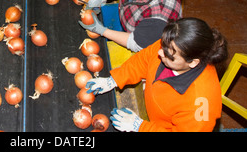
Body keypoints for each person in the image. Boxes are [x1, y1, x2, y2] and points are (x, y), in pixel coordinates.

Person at [86, 17, 228, 132]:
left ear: (192, 62)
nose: (160, 53)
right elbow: (144, 59)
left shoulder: (201, 106)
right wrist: (114, 80)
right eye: (162, 46)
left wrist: (141, 127)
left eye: (168, 55)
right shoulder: (172, 45)